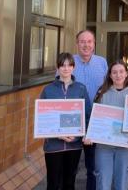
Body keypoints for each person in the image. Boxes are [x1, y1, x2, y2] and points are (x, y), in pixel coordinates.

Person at [40, 52, 92, 190]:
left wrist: (81, 134)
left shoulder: (81, 88)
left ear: (74, 68)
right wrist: (57, 134)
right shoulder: (48, 90)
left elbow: (87, 114)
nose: (66, 68)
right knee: (53, 183)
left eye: (69, 65)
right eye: (62, 65)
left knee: (69, 182)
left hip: (74, 145)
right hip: (53, 145)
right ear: (58, 68)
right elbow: (42, 118)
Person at [92, 60, 128, 190]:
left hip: (124, 146)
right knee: (103, 182)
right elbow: (95, 117)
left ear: (126, 74)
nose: (118, 75)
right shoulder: (102, 93)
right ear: (110, 75)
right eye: (114, 72)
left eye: (121, 72)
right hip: (104, 146)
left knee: (122, 182)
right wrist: (91, 134)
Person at [73, 29, 108, 190]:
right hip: (73, 120)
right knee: (70, 166)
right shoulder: (69, 63)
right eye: (82, 41)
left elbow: (108, 88)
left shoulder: (102, 63)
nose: (86, 45)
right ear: (77, 44)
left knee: (92, 166)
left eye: (89, 42)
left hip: (95, 120)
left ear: (94, 44)